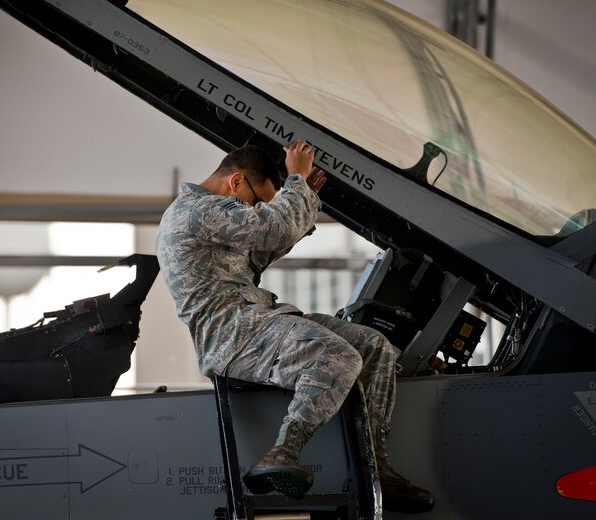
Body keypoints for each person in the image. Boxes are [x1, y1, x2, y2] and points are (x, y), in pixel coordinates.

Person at [156, 141, 434, 513]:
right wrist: (297, 180)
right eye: (257, 203)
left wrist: (303, 197)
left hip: (256, 319)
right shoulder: (195, 211)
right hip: (231, 334)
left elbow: (258, 249)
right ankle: (282, 452)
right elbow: (274, 230)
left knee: (374, 346)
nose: (256, 212)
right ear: (236, 182)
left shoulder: (209, 214)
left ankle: (376, 465)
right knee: (335, 355)